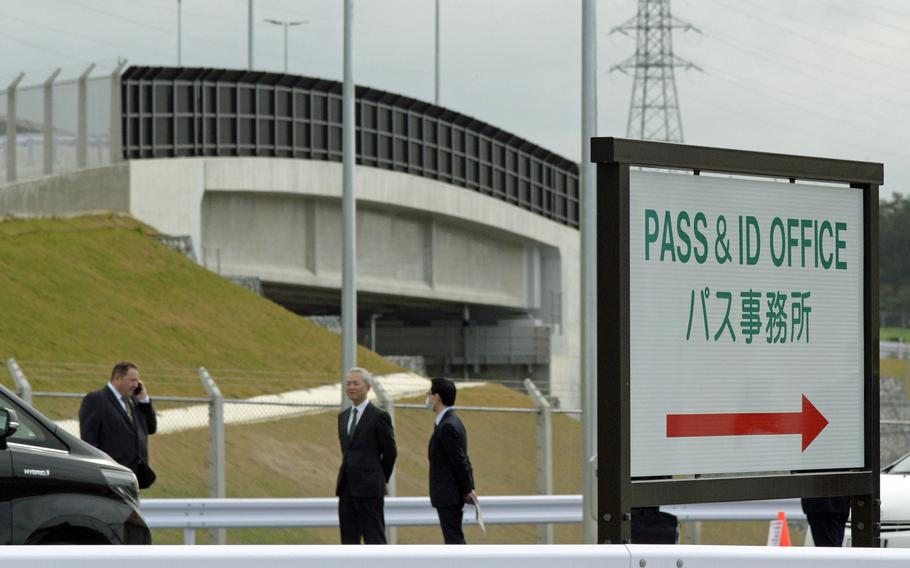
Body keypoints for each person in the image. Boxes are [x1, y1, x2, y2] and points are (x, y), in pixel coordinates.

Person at [335, 367, 397, 544]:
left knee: (374, 538)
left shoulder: (378, 416)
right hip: (346, 488)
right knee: (348, 540)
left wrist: (377, 477)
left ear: (368, 387)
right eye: (348, 384)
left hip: (370, 489)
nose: (351, 387)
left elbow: (390, 452)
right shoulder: (343, 417)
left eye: (356, 383)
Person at [79, 361, 158, 489]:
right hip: (111, 477)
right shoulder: (96, 400)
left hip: (133, 477)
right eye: (132, 380)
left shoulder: (134, 401)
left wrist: (144, 400)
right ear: (117, 378)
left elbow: (151, 428)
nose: (136, 385)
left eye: (137, 381)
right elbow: (89, 441)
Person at [426, 377, 477, 544]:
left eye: (430, 393)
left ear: (437, 397)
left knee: (454, 539)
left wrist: (468, 488)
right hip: (450, 493)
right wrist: (469, 487)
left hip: (448, 494)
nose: (427, 397)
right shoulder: (452, 421)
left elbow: (459, 461)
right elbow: (463, 458)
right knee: (453, 538)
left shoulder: (447, 426)